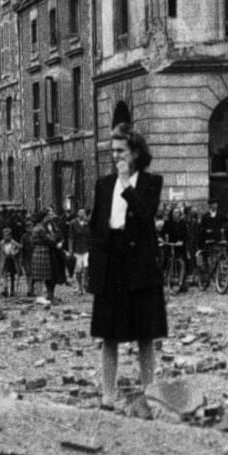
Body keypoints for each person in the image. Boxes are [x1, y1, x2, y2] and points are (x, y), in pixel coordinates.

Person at [89, 123, 168, 418]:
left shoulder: (150, 182)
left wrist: (126, 184)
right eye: (113, 152)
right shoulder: (102, 184)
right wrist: (95, 257)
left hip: (141, 264)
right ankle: (107, 395)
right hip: (112, 261)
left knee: (145, 335)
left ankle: (150, 393)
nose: (116, 157)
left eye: (121, 151)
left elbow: (146, 215)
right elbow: (96, 222)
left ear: (135, 152)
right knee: (108, 335)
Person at [70, 207, 92, 294]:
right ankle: (79, 286)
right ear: (77, 214)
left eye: (83, 213)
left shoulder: (88, 223)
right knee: (78, 268)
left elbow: (91, 234)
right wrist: (71, 248)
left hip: (87, 247)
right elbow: (71, 237)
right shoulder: (73, 223)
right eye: (80, 213)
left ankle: (85, 283)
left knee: (87, 266)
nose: (82, 214)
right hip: (77, 248)